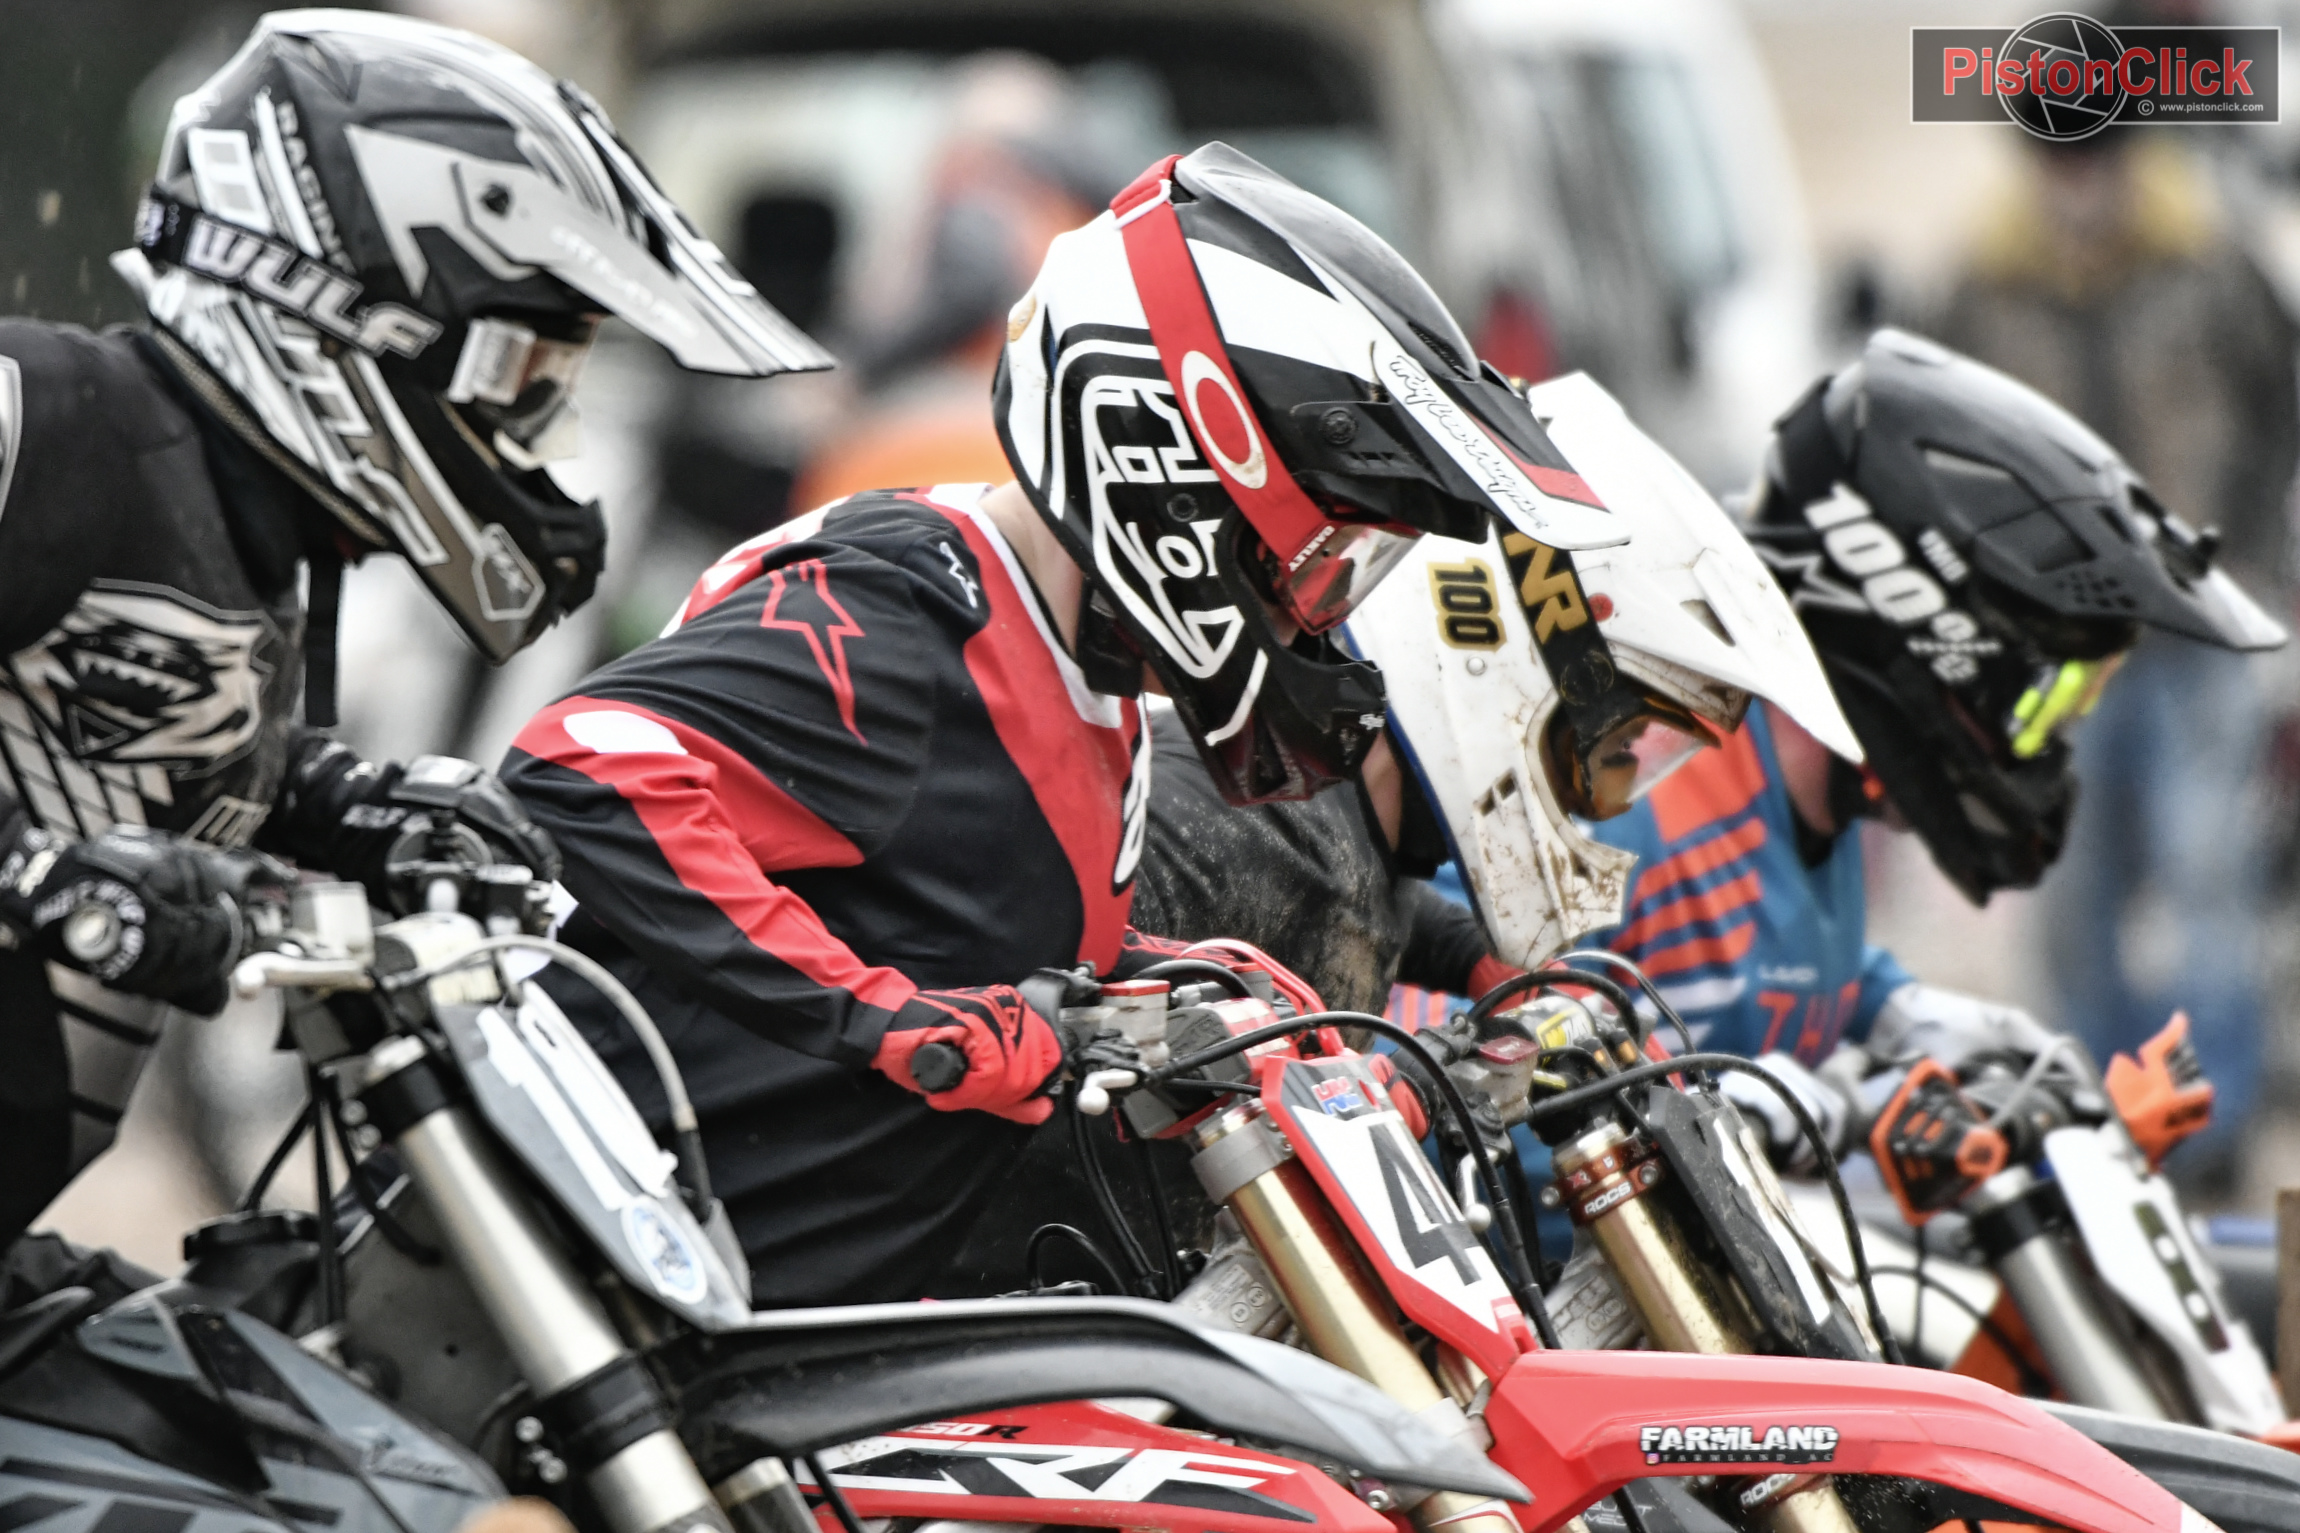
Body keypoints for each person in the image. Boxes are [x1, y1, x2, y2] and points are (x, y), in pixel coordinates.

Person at [500, 142, 1624, 1305]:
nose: (1325, 609)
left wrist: (1178, 983)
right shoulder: (905, 606)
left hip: (824, 1318)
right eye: (1325, 559)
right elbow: (583, 765)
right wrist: (887, 1022)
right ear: (1181, 467)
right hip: (623, 1301)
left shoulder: (1082, 671)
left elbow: (949, 908)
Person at [0, 8, 828, 1249]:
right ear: (347, 312)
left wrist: (340, 803)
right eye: (520, 381)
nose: (537, 435)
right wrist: (34, 867)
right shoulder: (47, 412)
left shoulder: (256, 531)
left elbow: (118, 726)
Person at [1584, 330, 2282, 1164]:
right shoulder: (1641, 796)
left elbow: (1770, 957)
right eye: (2045, 700)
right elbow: (1461, 1054)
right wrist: (1704, 1108)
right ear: (1927, 624)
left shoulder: (1814, 795)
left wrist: (1893, 1010)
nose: (2050, 745)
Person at [1934, 132, 2299, 1185]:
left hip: (2193, 631)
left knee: (2205, 878)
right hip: (2053, 648)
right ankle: (2097, 1116)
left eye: (2092, 159)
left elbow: (2277, 407)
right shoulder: (1977, 281)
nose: (2075, 187)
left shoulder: (2207, 261)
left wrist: (2255, 563)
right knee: (2068, 881)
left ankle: (2209, 1116)